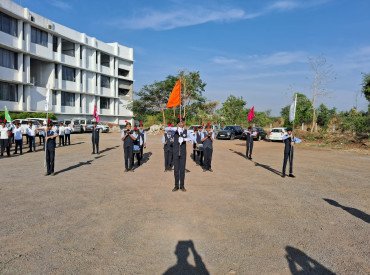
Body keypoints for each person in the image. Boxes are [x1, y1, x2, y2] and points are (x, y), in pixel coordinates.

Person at [166, 117, 192, 192]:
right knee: (176, 170)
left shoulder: (186, 131)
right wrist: (176, 129)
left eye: (182, 122)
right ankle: (176, 186)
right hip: (176, 153)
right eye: (180, 122)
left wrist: (184, 139)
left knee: (182, 170)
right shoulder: (174, 131)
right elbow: (167, 130)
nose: (181, 124)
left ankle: (182, 186)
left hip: (183, 154)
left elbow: (191, 139)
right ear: (177, 123)